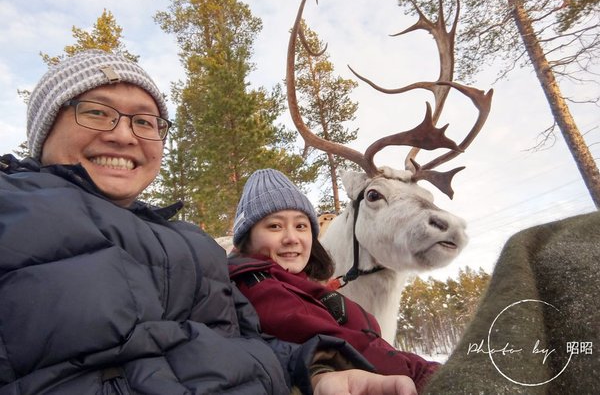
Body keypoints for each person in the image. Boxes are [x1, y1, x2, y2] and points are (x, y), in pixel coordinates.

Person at [0, 49, 418, 395]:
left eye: (144, 121)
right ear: (43, 129)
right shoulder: (11, 213)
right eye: (95, 112)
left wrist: (316, 372)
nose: (124, 135)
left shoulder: (193, 245)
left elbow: (248, 345)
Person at [228, 169, 441, 394]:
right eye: (274, 226)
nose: (292, 238)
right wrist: (422, 371)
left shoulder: (298, 284)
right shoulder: (258, 284)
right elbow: (346, 343)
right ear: (246, 238)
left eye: (301, 226)